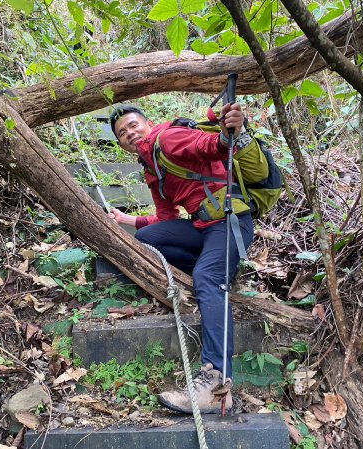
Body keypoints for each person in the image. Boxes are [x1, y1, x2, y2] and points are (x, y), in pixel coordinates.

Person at [108, 103, 255, 414]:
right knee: (148, 239)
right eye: (122, 133)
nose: (129, 133)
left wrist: (232, 132)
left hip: (229, 222)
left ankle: (216, 385)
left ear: (147, 124)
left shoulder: (168, 138)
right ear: (121, 145)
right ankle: (213, 265)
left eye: (133, 125)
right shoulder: (152, 170)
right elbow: (165, 217)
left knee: (207, 279)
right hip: (203, 227)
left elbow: (212, 146)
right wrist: (128, 220)